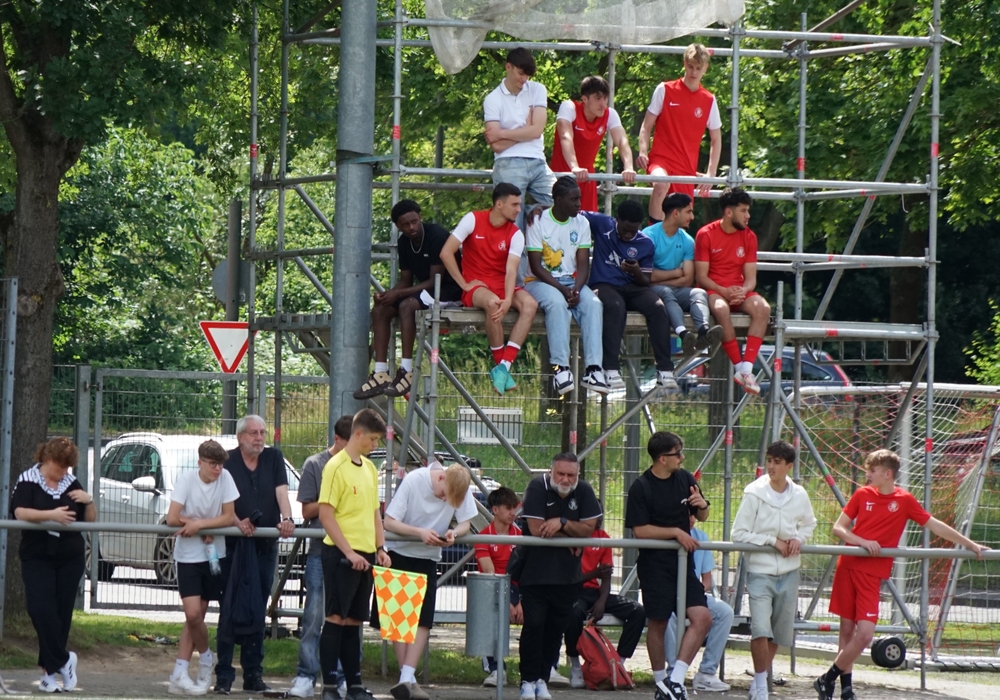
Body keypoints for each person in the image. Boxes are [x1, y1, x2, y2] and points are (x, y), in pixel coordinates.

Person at [813, 449, 988, 700]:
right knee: (846, 630)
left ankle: (827, 678)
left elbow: (934, 524)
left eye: (872, 470)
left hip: (872, 574)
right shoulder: (862, 494)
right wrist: (863, 541)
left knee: (865, 634)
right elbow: (838, 528)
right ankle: (846, 689)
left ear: (887, 474)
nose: (868, 474)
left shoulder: (904, 500)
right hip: (849, 566)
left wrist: (969, 544)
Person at [625, 431, 712, 700]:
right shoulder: (641, 487)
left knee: (703, 618)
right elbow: (640, 530)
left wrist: (702, 505)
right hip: (654, 566)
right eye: (677, 454)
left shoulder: (685, 479)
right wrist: (675, 532)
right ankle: (661, 681)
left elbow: (703, 515)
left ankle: (676, 680)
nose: (682, 458)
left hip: (683, 565)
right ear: (662, 458)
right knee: (659, 621)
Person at [382, 463, 479, 700]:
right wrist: (420, 532)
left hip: (428, 557)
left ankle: (406, 677)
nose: (444, 500)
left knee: (423, 619)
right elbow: (389, 521)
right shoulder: (414, 480)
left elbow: (465, 523)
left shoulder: (459, 486)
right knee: (398, 620)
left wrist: (454, 533)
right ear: (441, 477)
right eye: (444, 494)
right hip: (398, 552)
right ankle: (407, 678)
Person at [215, 416, 297, 694]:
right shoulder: (227, 462)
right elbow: (221, 501)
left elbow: (282, 494)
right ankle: (224, 675)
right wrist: (237, 522)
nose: (259, 438)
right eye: (253, 433)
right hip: (233, 547)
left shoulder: (274, 458)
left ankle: (253, 673)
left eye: (262, 432)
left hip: (264, 547)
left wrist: (287, 519)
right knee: (229, 607)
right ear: (240, 437)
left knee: (258, 608)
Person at [732, 440, 817, 700]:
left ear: (789, 466)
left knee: (778, 631)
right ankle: (760, 686)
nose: (771, 466)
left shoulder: (799, 494)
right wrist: (772, 541)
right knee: (760, 628)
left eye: (777, 462)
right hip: (760, 570)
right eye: (769, 461)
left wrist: (798, 539)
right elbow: (738, 533)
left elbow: (809, 524)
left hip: (789, 572)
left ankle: (759, 681)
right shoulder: (754, 493)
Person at [317, 409, 392, 700]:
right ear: (357, 434)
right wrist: (348, 552)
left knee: (354, 620)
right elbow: (326, 514)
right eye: (372, 439)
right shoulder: (335, 467)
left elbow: (375, 513)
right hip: (340, 554)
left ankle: (354, 685)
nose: (375, 445)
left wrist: (380, 548)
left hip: (366, 554)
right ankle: (329, 687)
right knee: (336, 617)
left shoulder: (370, 468)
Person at [11, 437, 96, 693]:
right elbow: (20, 512)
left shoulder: (71, 482)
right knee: (40, 609)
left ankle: (48, 674)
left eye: (68, 467)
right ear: (47, 460)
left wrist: (89, 500)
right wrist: (52, 516)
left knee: (61, 615)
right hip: (37, 556)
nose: (64, 472)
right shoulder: (28, 480)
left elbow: (90, 520)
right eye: (60, 467)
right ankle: (65, 659)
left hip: (69, 557)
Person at [355, 200, 464, 400]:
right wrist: (387, 295)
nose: (411, 227)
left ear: (420, 217)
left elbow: (434, 280)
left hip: (448, 290)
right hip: (426, 290)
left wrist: (398, 294)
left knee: (407, 305)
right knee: (380, 309)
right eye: (405, 225)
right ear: (398, 226)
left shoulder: (437, 235)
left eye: (414, 222)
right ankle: (380, 372)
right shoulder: (404, 242)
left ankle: (406, 370)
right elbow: (406, 280)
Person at [440, 182, 538, 396]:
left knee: (530, 305)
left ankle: (503, 367)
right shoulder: (473, 219)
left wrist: (509, 299)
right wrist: (464, 284)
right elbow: (446, 252)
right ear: (499, 204)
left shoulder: (516, 233)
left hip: (503, 284)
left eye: (520, 204)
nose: (519, 209)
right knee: (493, 304)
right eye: (514, 205)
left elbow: (511, 270)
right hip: (478, 286)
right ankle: (500, 365)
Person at [518, 454, 602, 700]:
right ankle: (527, 680)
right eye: (561, 474)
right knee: (534, 626)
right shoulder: (537, 486)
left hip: (568, 577)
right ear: (551, 471)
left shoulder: (584, 490)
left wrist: (562, 522)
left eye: (571, 475)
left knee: (555, 631)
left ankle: (542, 679)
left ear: (578, 475)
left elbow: (589, 529)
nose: (565, 479)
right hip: (535, 574)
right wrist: (570, 537)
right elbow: (537, 529)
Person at [286, 415, 354, 699]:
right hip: (320, 550)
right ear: (337, 439)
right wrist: (332, 500)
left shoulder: (359, 465)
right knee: (314, 616)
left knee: (345, 618)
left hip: (350, 550)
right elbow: (307, 510)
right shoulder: (315, 464)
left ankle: (341, 676)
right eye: (350, 442)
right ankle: (306, 675)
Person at [166, 440, 240, 696]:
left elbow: (228, 516)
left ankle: (180, 671)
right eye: (212, 464)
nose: (217, 469)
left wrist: (201, 525)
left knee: (198, 614)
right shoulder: (187, 480)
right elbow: (172, 517)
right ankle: (207, 657)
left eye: (220, 465)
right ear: (200, 463)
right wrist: (198, 526)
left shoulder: (226, 478)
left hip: (213, 556)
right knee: (193, 614)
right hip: (187, 557)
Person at [524, 176, 609, 395]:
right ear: (559, 200)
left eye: (579, 199)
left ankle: (593, 369)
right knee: (557, 304)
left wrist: (577, 288)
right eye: (573, 199)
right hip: (538, 281)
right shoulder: (538, 221)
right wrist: (563, 291)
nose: (579, 204)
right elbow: (536, 267)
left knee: (593, 304)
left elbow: (583, 264)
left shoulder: (582, 223)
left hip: (571, 282)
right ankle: (561, 369)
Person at [585, 200, 678, 391]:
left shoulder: (645, 243)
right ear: (617, 220)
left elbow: (646, 281)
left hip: (633, 286)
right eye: (625, 230)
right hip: (605, 284)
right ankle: (611, 369)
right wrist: (540, 209)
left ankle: (665, 369)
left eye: (633, 231)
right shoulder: (602, 224)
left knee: (658, 307)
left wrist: (635, 271)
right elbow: (571, 212)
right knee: (615, 306)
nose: (628, 235)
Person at [694, 187, 771, 395]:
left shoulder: (749, 236)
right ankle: (739, 367)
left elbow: (751, 278)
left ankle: (746, 369)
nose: (748, 216)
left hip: (738, 291)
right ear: (729, 212)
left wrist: (743, 291)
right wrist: (724, 291)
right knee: (721, 309)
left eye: (748, 210)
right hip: (714, 290)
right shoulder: (706, 234)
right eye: (743, 210)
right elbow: (701, 277)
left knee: (763, 308)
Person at [636, 43, 722, 222]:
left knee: (680, 220)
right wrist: (643, 152)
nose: (693, 72)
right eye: (690, 66)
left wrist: (710, 174)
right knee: (662, 184)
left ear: (705, 68)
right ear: (684, 64)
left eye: (698, 68)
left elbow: (716, 139)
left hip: (686, 168)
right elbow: (646, 126)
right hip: (661, 161)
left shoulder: (709, 100)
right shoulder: (664, 89)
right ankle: (652, 233)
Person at [563, 516, 646, 689]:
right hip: (574, 591)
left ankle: (618, 664)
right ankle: (575, 666)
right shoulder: (572, 536)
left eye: (601, 515)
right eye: (595, 516)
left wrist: (601, 601)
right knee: (574, 613)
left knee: (637, 611)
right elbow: (569, 579)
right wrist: (595, 573)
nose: (599, 520)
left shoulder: (603, 538)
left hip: (595, 592)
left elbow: (606, 575)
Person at [483, 47, 556, 230]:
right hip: (507, 162)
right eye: (521, 73)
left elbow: (537, 131)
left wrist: (502, 133)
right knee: (511, 223)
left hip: (538, 162)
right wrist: (526, 129)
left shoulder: (537, 89)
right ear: (508, 67)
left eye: (527, 75)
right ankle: (523, 216)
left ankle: (529, 212)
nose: (524, 79)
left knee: (562, 204)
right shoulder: (492, 99)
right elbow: (497, 146)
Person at [663, 513, 734, 693]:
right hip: (668, 593)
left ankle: (707, 673)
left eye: (694, 514)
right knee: (667, 615)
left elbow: (707, 580)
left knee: (725, 612)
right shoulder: (666, 534)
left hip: (694, 593)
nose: (692, 519)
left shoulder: (701, 537)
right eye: (688, 514)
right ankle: (673, 673)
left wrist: (695, 594)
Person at [644, 192, 721, 357]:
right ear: (675, 213)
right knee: (666, 292)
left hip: (669, 288)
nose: (692, 217)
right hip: (651, 293)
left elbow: (688, 279)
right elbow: (647, 276)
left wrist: (660, 279)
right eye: (688, 212)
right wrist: (675, 273)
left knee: (699, 293)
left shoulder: (687, 240)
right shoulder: (648, 236)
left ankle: (704, 331)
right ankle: (683, 333)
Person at [550, 75, 636, 212]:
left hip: (587, 178)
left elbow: (622, 141)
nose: (603, 104)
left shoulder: (610, 114)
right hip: (562, 177)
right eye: (597, 98)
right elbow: (565, 136)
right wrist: (575, 167)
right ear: (584, 99)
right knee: (559, 220)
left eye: (605, 98)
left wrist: (629, 167)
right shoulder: (569, 107)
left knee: (587, 221)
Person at [474, 487, 523, 687]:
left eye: (515, 508)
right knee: (489, 609)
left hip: (518, 588)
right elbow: (490, 573)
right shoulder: (483, 536)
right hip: (494, 588)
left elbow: (526, 573)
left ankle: (541, 670)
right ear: (495, 510)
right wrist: (507, 601)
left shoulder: (522, 537)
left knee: (542, 609)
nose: (513, 513)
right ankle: (496, 669)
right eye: (508, 508)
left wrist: (520, 601)